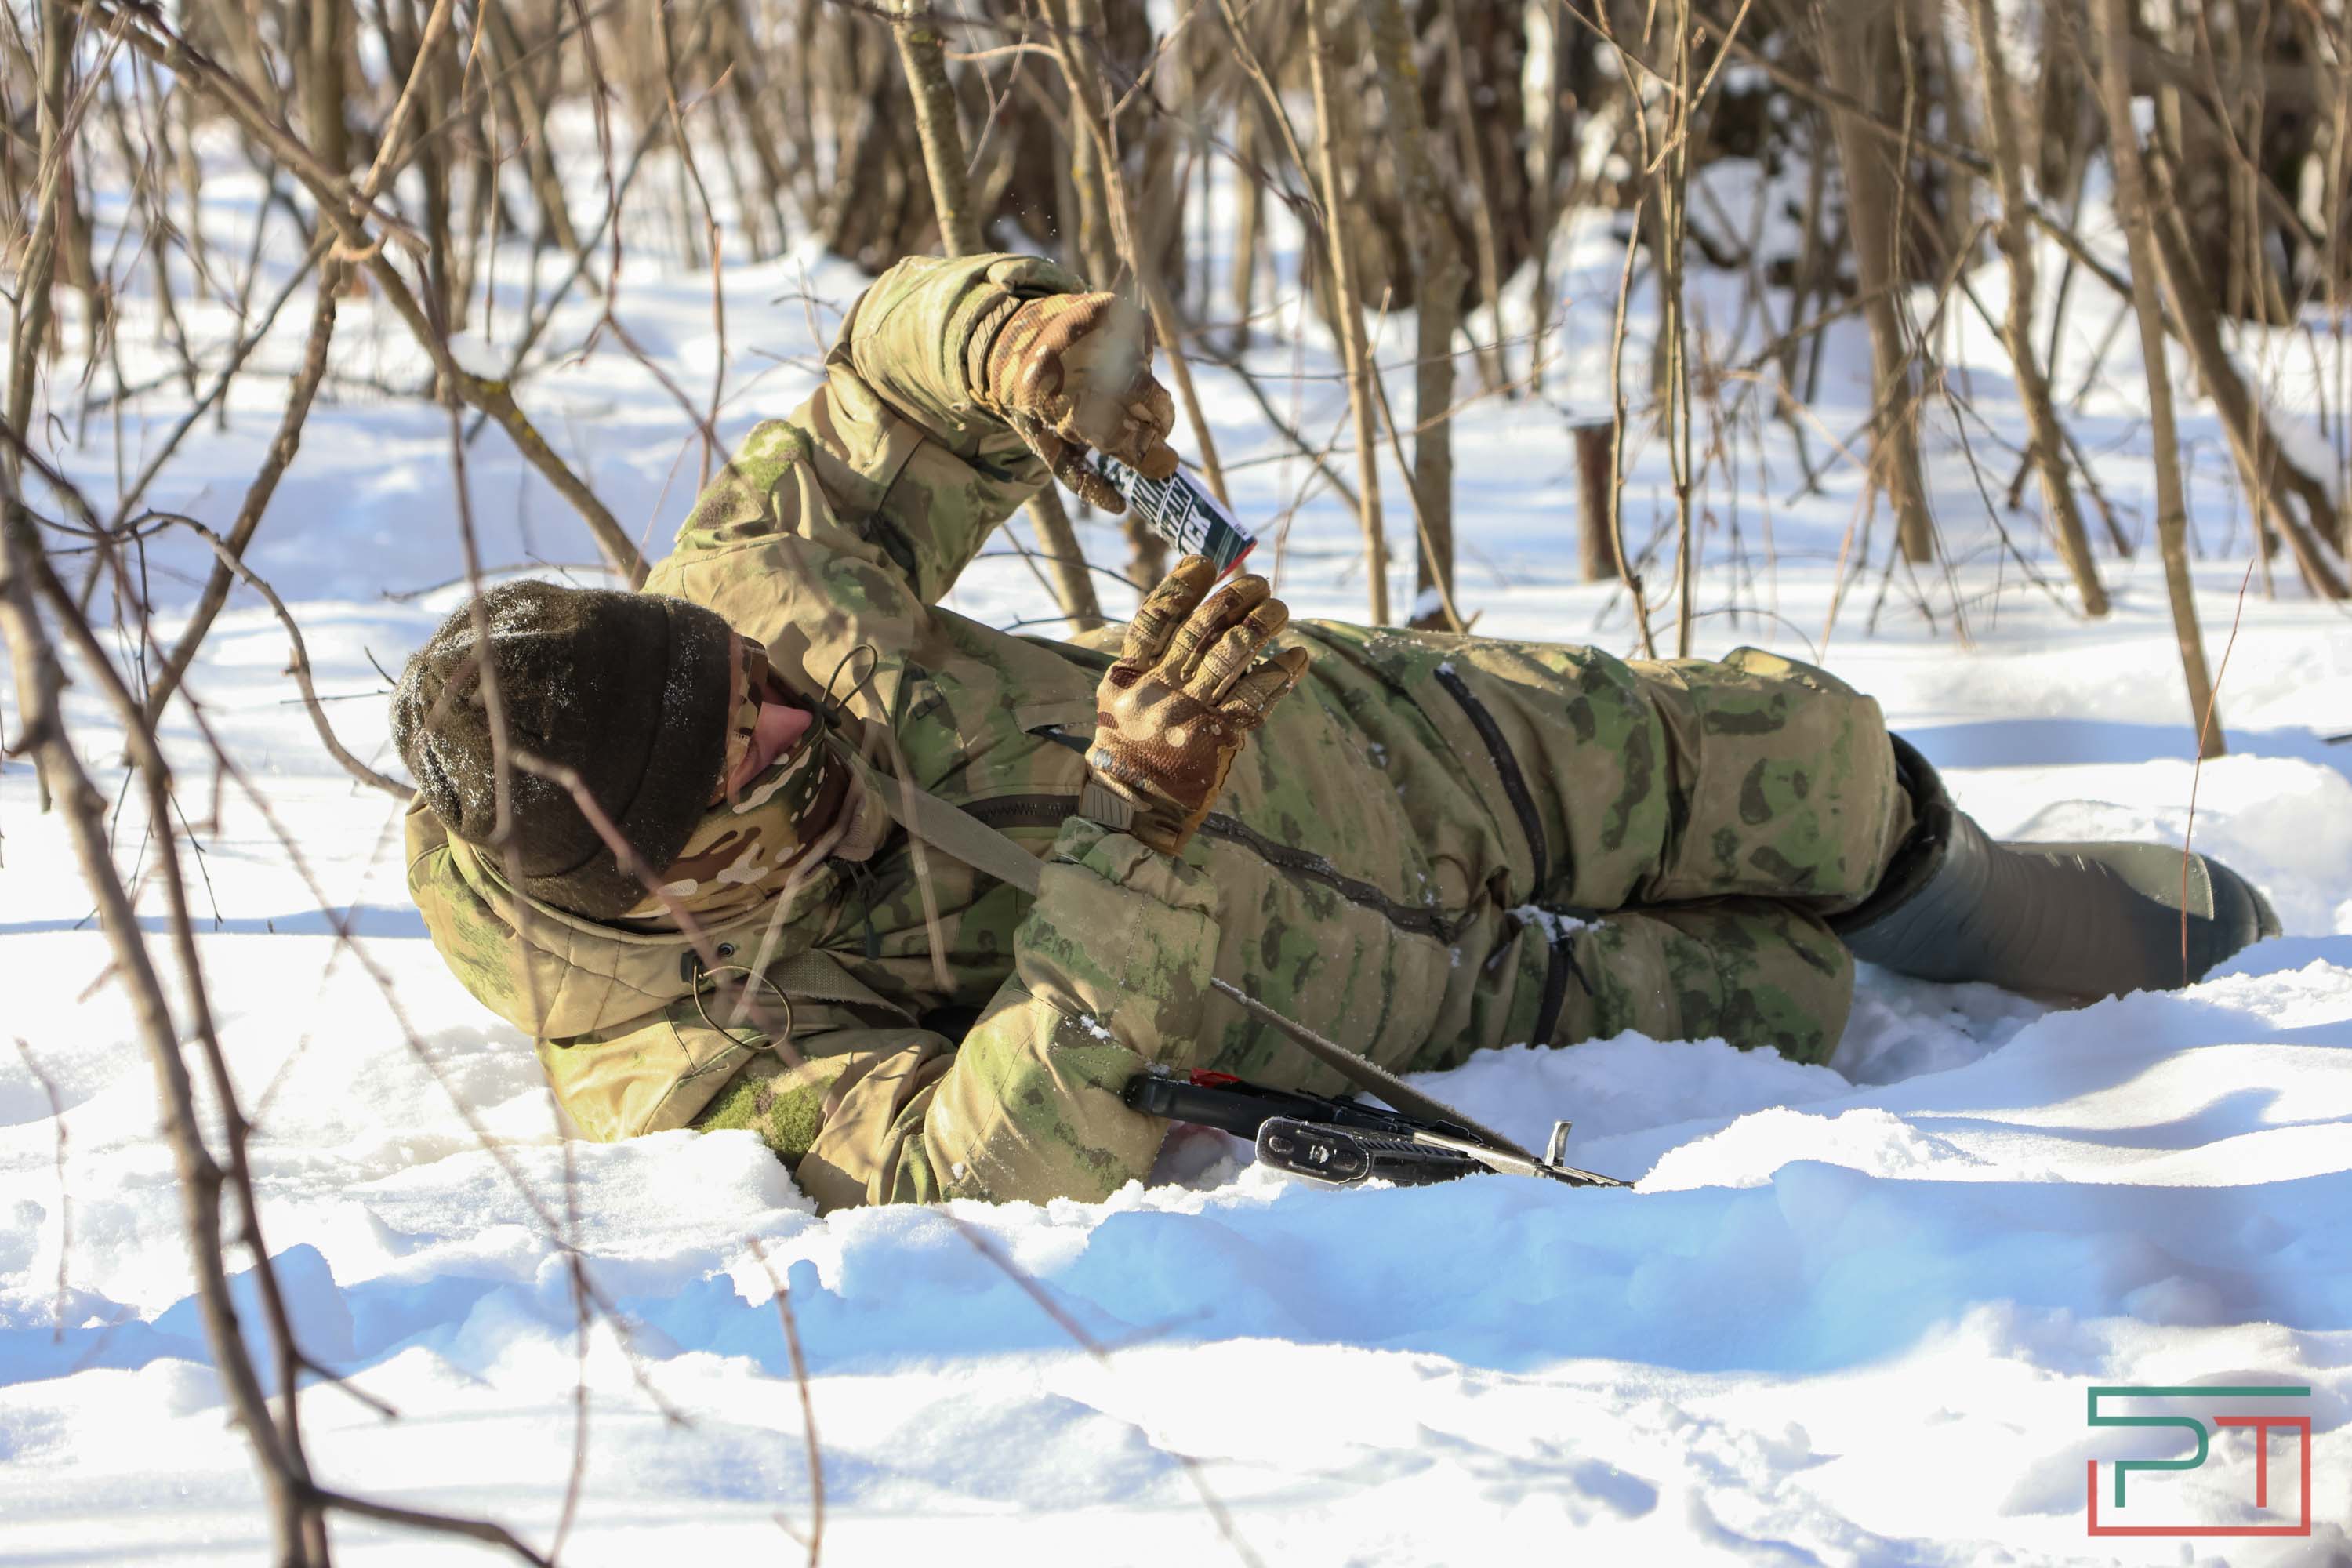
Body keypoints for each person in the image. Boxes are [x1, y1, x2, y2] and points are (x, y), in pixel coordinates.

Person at [393, 253, 2278, 1210]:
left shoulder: (746, 595)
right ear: (661, 870)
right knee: (1770, 1008)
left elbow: (888, 376)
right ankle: (1883, 968)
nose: (783, 704)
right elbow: (970, 1168)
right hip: (1372, 1010)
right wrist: (1133, 826)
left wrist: (1014, 345)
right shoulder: (682, 1064)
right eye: (747, 752)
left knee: (1806, 757)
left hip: (1361, 743)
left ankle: (1992, 906)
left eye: (747, 673)